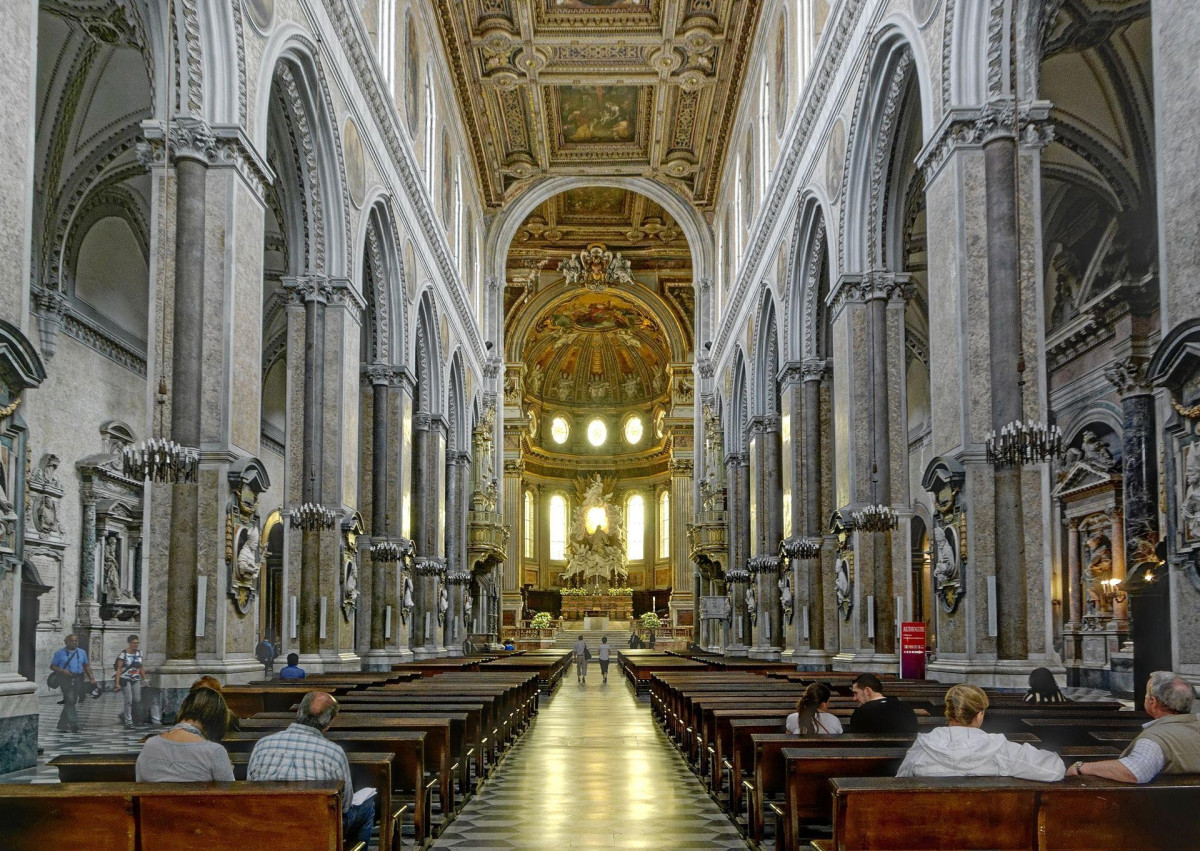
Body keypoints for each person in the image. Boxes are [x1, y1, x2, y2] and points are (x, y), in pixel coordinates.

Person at [248, 692, 375, 845]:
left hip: (269, 824)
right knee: (367, 806)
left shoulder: (263, 745)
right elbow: (345, 804)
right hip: (317, 827)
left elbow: (251, 788)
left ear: (298, 712)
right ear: (330, 723)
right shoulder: (334, 752)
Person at [897, 684, 1064, 781]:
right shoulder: (1000, 749)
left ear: (948, 712)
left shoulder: (922, 747)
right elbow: (1054, 769)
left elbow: (901, 783)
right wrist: (1077, 767)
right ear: (980, 714)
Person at [1065, 672, 1200, 783]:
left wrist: (1081, 767)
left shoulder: (1154, 740)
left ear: (1153, 702)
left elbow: (1135, 771)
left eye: (1147, 694)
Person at [135, 686, 234, 782]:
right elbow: (230, 794)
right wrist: (227, 769)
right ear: (216, 720)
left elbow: (139, 784)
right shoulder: (214, 752)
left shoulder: (151, 745)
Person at [50, 633, 97, 733]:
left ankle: (62, 724)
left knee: (71, 700)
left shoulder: (82, 652)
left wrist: (91, 678)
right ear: (66, 642)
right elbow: (53, 666)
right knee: (70, 699)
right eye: (72, 640)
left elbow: (86, 666)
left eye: (76, 640)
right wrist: (63, 671)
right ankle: (74, 723)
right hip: (65, 679)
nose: (75, 642)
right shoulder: (60, 653)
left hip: (78, 678)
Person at [848, 673, 918, 735]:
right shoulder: (906, 707)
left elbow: (855, 739)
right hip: (906, 749)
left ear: (867, 691)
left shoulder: (860, 713)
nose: (854, 698)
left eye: (856, 693)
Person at [114, 634, 160, 728]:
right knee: (128, 701)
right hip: (125, 679)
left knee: (137, 699)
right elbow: (119, 669)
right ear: (130, 643)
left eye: (137, 643)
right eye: (134, 643)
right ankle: (128, 721)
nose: (136, 644)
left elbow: (141, 667)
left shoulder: (139, 653)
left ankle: (133, 717)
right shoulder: (124, 654)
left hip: (135, 678)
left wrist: (144, 679)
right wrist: (117, 683)